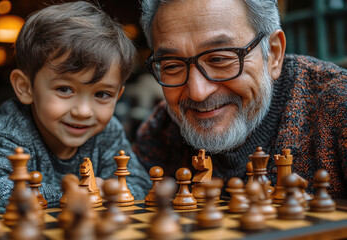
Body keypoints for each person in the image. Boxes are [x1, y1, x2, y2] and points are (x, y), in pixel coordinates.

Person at [0, 1, 151, 216]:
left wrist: (109, 191)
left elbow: (140, 185)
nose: (83, 111)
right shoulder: (3, 132)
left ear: (117, 96)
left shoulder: (108, 131)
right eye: (64, 89)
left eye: (102, 94)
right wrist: (75, 194)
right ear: (25, 88)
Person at [135, 0, 347, 198]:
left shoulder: (338, 107)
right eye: (172, 65)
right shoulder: (159, 132)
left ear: (273, 54)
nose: (197, 92)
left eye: (219, 59)